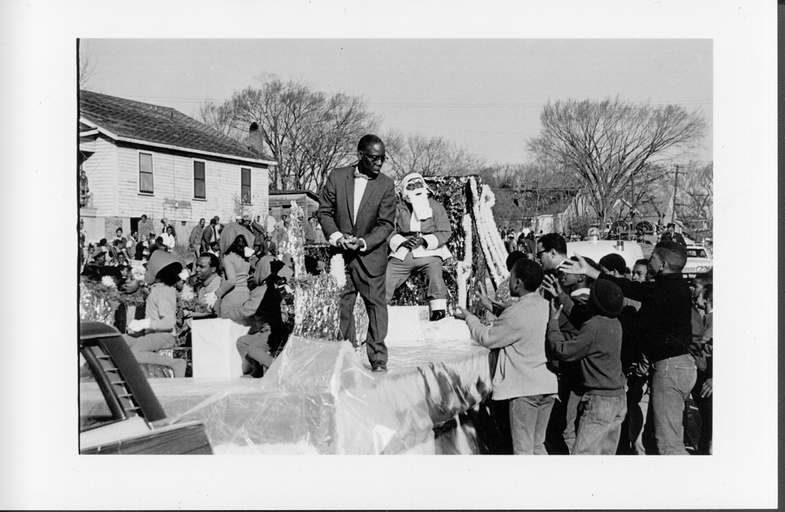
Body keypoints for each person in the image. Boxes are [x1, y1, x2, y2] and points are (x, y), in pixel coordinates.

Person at [562, 241, 696, 455]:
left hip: (670, 368)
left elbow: (632, 289)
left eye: (652, 257)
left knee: (669, 444)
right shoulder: (677, 288)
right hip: (678, 367)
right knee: (662, 438)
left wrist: (591, 272)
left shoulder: (665, 290)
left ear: (661, 264)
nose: (648, 259)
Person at [455, 259, 558, 455]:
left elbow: (487, 338)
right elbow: (516, 322)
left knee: (523, 450)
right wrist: (490, 305)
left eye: (510, 277)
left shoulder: (517, 312)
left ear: (518, 282)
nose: (508, 281)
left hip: (525, 390)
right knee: (537, 445)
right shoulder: (545, 306)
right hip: (547, 387)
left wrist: (470, 318)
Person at [317, 134, 396, 372]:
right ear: (360, 155)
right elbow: (324, 212)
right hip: (341, 258)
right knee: (343, 307)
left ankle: (378, 359)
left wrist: (362, 242)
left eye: (382, 158)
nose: (379, 163)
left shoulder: (386, 185)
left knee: (376, 307)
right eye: (374, 158)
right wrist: (338, 238)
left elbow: (386, 225)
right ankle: (347, 356)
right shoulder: (337, 176)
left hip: (370, 257)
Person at [546, 279, 627, 455]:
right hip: (618, 398)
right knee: (604, 457)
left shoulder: (593, 327)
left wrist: (553, 322)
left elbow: (563, 351)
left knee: (583, 456)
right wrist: (562, 295)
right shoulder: (614, 323)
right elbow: (580, 316)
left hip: (600, 401)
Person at [385, 172, 452, 321]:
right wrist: (401, 241)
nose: (417, 189)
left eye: (419, 184)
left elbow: (445, 231)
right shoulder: (398, 208)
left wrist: (424, 241)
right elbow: (387, 230)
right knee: (386, 278)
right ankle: (379, 314)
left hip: (430, 252)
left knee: (435, 275)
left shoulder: (435, 207)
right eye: (412, 186)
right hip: (403, 252)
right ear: (405, 191)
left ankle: (438, 314)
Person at [123, 250, 188, 378]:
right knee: (120, 340)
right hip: (154, 334)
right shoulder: (159, 289)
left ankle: (175, 364)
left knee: (135, 353)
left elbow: (169, 323)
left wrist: (146, 323)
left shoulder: (162, 292)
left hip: (164, 335)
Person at [214, 223, 255, 322]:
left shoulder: (229, 258)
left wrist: (217, 293)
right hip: (246, 294)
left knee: (226, 328)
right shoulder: (246, 259)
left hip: (231, 296)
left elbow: (232, 281)